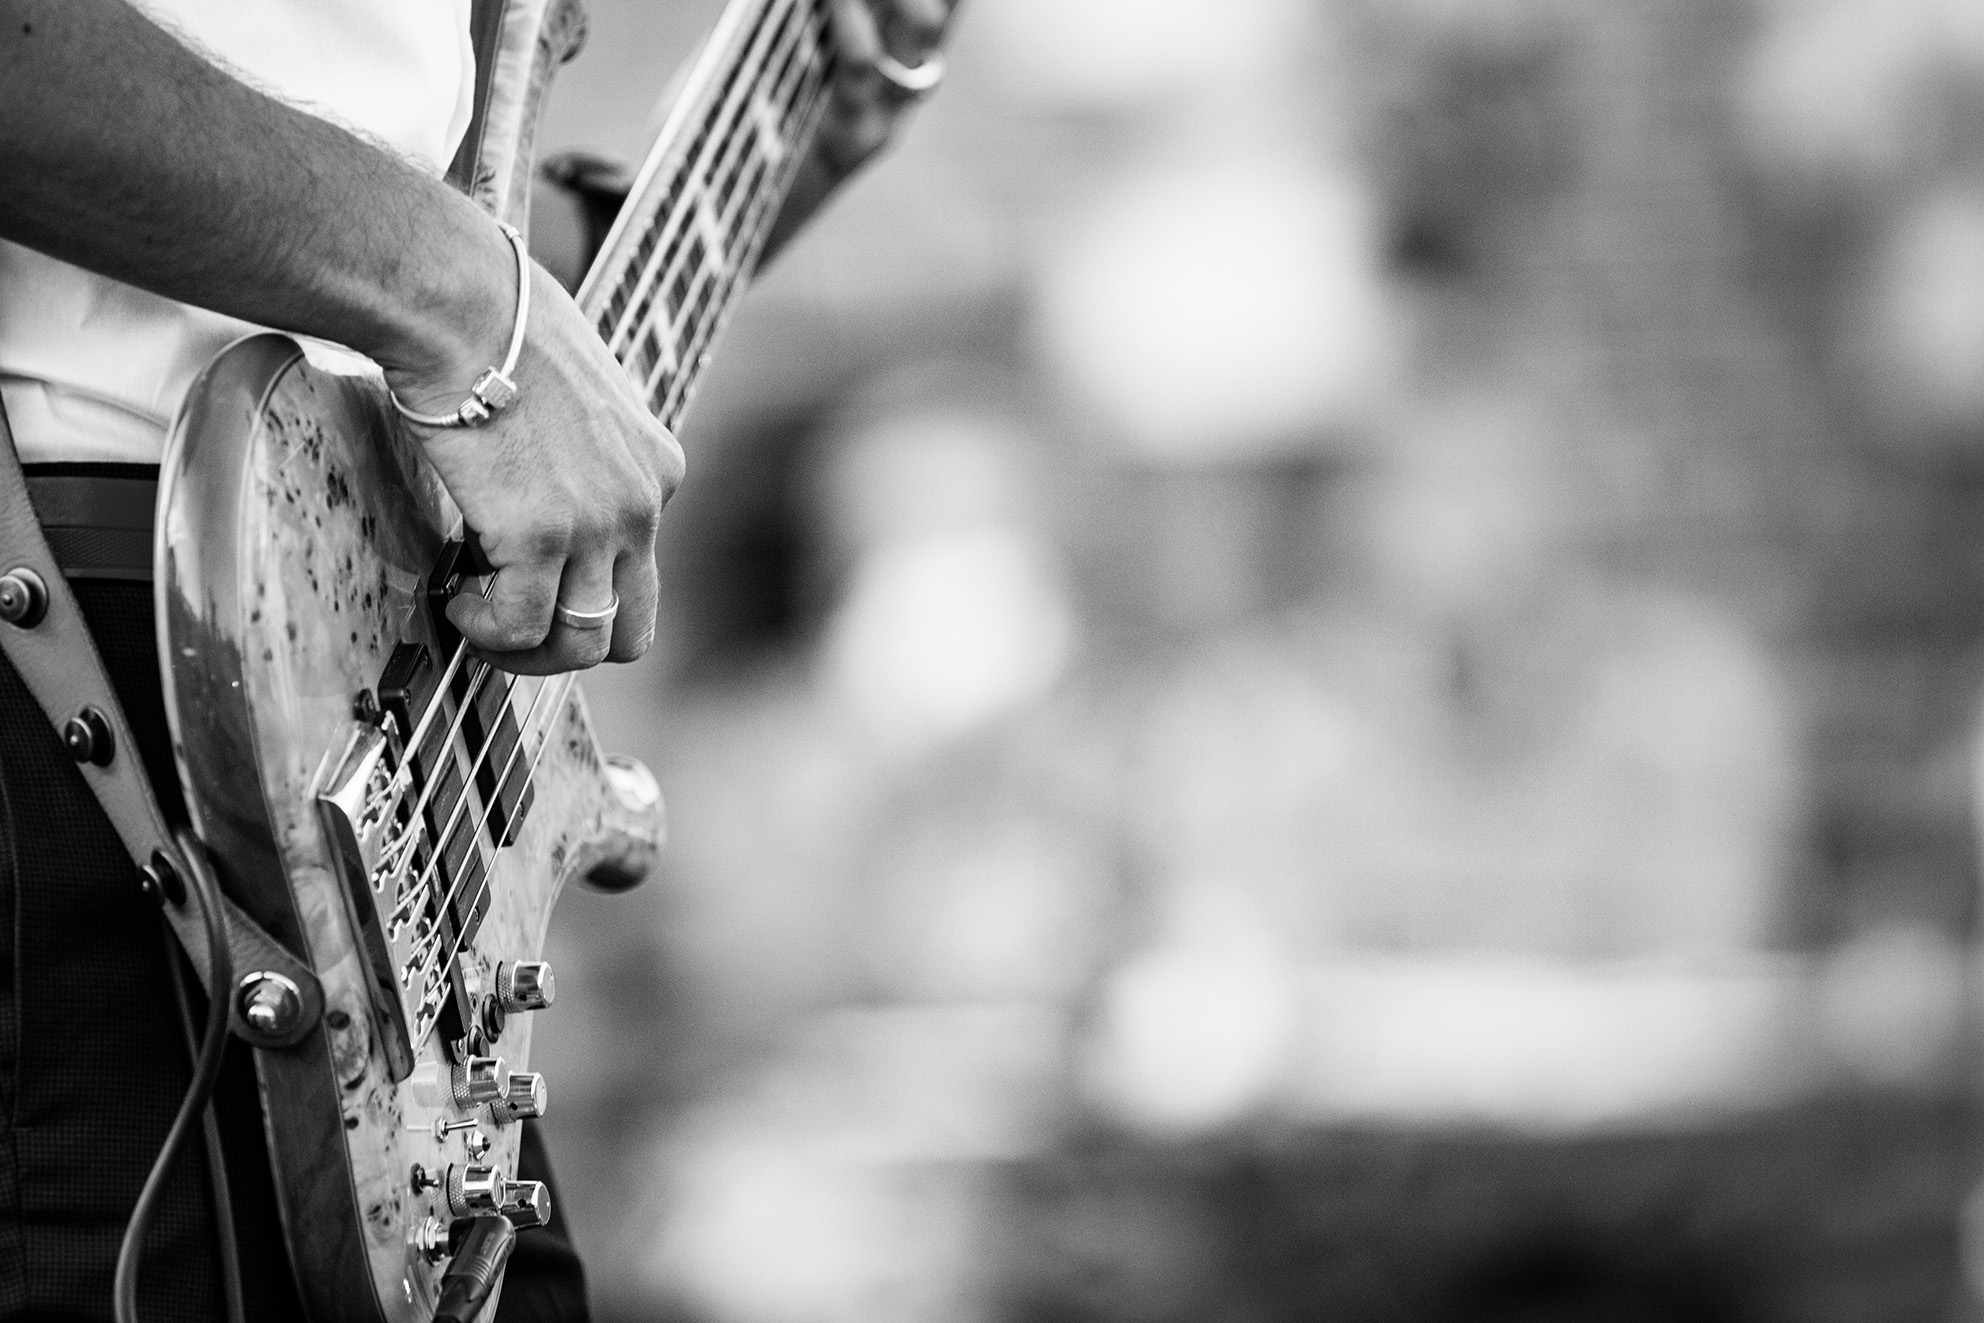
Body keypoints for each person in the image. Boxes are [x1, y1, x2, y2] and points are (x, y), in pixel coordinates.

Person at [0, 0, 955, 1317]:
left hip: (380, 716)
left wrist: (763, 150)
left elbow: (366, 192)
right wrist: (474, 313)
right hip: (97, 656)